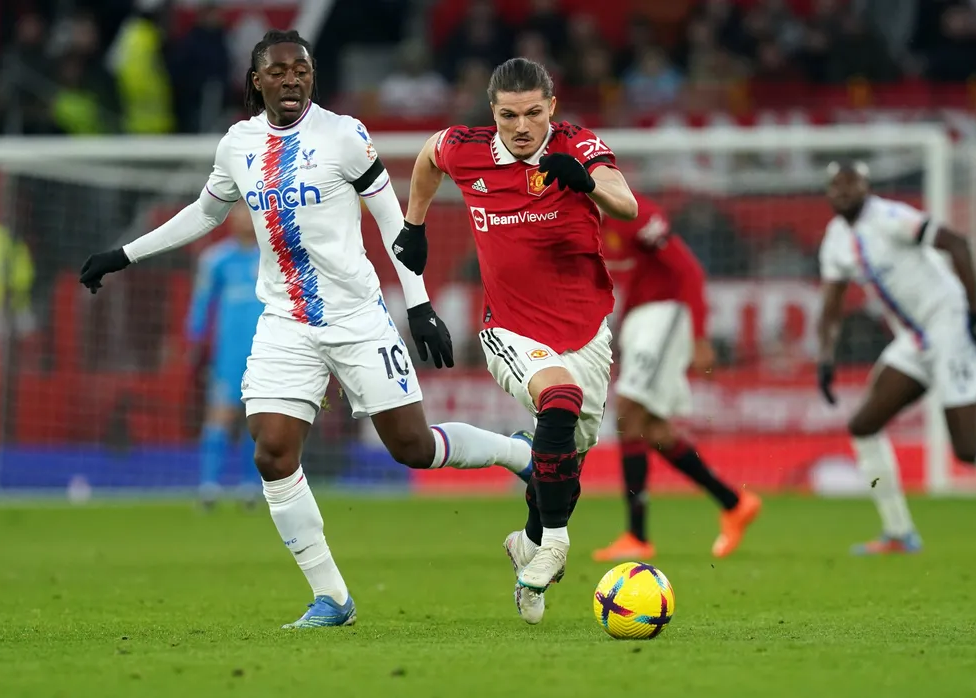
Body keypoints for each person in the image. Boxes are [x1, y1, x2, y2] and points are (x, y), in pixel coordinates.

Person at [79, 30, 535, 629]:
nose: (291, 78)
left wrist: (419, 305)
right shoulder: (237, 145)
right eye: (278, 70)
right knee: (271, 451)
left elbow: (394, 222)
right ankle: (333, 599)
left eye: (301, 69)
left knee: (413, 448)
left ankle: (516, 451)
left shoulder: (344, 136)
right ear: (257, 80)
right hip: (285, 322)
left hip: (356, 317)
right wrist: (124, 254)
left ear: (312, 76)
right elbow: (205, 213)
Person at [392, 57, 639, 624]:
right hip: (510, 328)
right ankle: (554, 544)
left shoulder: (577, 144)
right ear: (493, 113)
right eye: (508, 116)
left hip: (586, 329)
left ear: (551, 107)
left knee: (564, 467)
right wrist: (414, 223)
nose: (522, 127)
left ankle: (527, 542)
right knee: (560, 400)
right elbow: (430, 155)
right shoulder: (468, 148)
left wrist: (586, 183)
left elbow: (625, 203)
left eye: (532, 113)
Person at [817, 160, 976, 555]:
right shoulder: (835, 239)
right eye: (836, 186)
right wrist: (826, 358)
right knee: (863, 425)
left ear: (866, 187)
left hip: (952, 326)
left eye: (851, 184)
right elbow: (831, 306)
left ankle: (900, 533)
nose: (843, 192)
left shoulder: (891, 218)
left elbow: (958, 244)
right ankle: (899, 533)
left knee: (968, 449)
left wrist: (975, 314)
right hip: (916, 340)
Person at [593, 192, 761, 563]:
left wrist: (700, 336)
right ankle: (734, 503)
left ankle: (637, 536)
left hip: (664, 314)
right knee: (652, 430)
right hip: (639, 321)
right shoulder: (584, 221)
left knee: (627, 415)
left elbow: (689, 270)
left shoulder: (634, 213)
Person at [186, 202, 263, 508]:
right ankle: (209, 487)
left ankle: (250, 488)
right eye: (239, 212)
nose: (245, 219)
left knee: (257, 419)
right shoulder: (215, 259)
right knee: (220, 415)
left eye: (250, 212)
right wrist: (194, 340)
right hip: (229, 354)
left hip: (266, 352)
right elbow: (201, 303)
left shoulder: (272, 257)